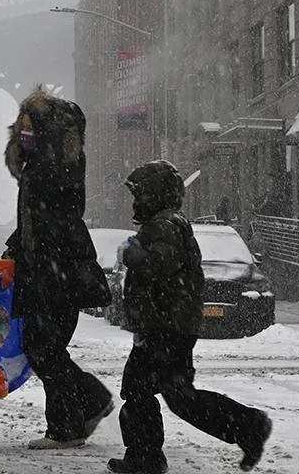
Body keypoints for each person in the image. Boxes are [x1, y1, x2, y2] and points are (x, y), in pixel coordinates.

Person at [112, 160, 272, 474]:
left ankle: (147, 457)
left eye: (139, 194)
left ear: (154, 195)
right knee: (172, 394)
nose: (134, 202)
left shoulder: (164, 226)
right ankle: (245, 426)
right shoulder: (169, 223)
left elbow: (160, 266)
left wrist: (132, 253)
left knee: (146, 391)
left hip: (164, 328)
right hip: (169, 326)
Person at [1, 88, 114, 450]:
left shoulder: (51, 164)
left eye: (28, 126)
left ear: (45, 127)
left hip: (53, 267)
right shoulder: (49, 162)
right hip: (52, 264)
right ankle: (66, 427)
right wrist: (17, 244)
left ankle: (91, 402)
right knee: (47, 347)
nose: (22, 133)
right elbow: (41, 218)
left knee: (42, 348)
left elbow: (55, 216)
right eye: (20, 128)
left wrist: (34, 252)